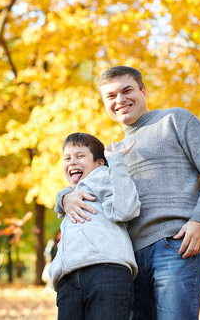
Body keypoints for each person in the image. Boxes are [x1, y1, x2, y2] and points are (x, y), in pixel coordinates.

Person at [55, 66, 200, 319]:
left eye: (127, 90)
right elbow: (84, 186)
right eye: (111, 96)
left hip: (175, 246)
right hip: (128, 261)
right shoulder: (110, 153)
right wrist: (64, 197)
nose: (120, 100)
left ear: (143, 90)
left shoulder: (174, 120)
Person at [50, 132, 140, 320]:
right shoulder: (72, 196)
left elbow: (125, 210)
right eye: (67, 158)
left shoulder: (102, 177)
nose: (72, 162)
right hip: (70, 278)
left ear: (99, 163)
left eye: (80, 156)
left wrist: (116, 164)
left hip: (105, 270)